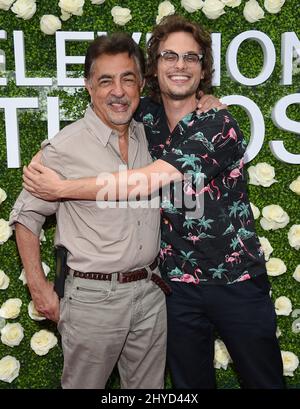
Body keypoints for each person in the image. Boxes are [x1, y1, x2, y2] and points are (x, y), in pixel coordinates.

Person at [22, 16, 285, 389]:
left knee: (265, 383)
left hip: (235, 283)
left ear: (203, 68)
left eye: (190, 58)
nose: (180, 66)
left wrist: (63, 187)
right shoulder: (143, 117)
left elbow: (148, 180)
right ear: (153, 69)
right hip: (174, 290)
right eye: (169, 56)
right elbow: (104, 113)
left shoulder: (218, 123)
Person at [9, 33, 171, 389]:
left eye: (127, 78)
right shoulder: (65, 147)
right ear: (88, 87)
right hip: (93, 302)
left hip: (150, 293)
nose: (118, 91)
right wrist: (39, 289)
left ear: (141, 84)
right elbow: (26, 217)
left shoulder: (151, 136)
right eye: (105, 80)